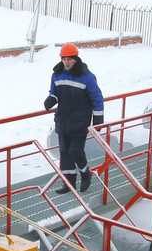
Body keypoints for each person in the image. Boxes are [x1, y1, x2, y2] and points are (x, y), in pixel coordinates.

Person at [43, 43, 105, 194]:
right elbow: (54, 91)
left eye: (70, 59)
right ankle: (69, 184)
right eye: (64, 59)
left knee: (76, 151)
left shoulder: (87, 77)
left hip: (79, 121)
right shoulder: (57, 74)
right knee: (65, 153)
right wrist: (51, 99)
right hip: (63, 120)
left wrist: (98, 120)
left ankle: (85, 175)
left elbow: (97, 98)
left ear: (76, 59)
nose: (67, 62)